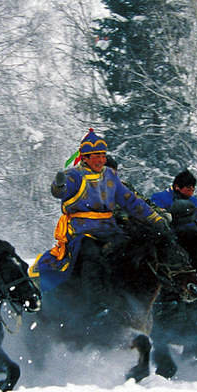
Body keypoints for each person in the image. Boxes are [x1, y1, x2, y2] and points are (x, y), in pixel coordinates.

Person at [30, 129, 168, 307]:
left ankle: (134, 298)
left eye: (103, 156)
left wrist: (155, 219)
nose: (101, 160)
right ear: (85, 158)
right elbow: (61, 192)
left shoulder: (110, 176)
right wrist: (58, 185)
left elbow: (131, 201)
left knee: (133, 251)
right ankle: (96, 302)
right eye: (96, 156)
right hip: (82, 230)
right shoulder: (75, 175)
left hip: (109, 229)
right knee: (92, 255)